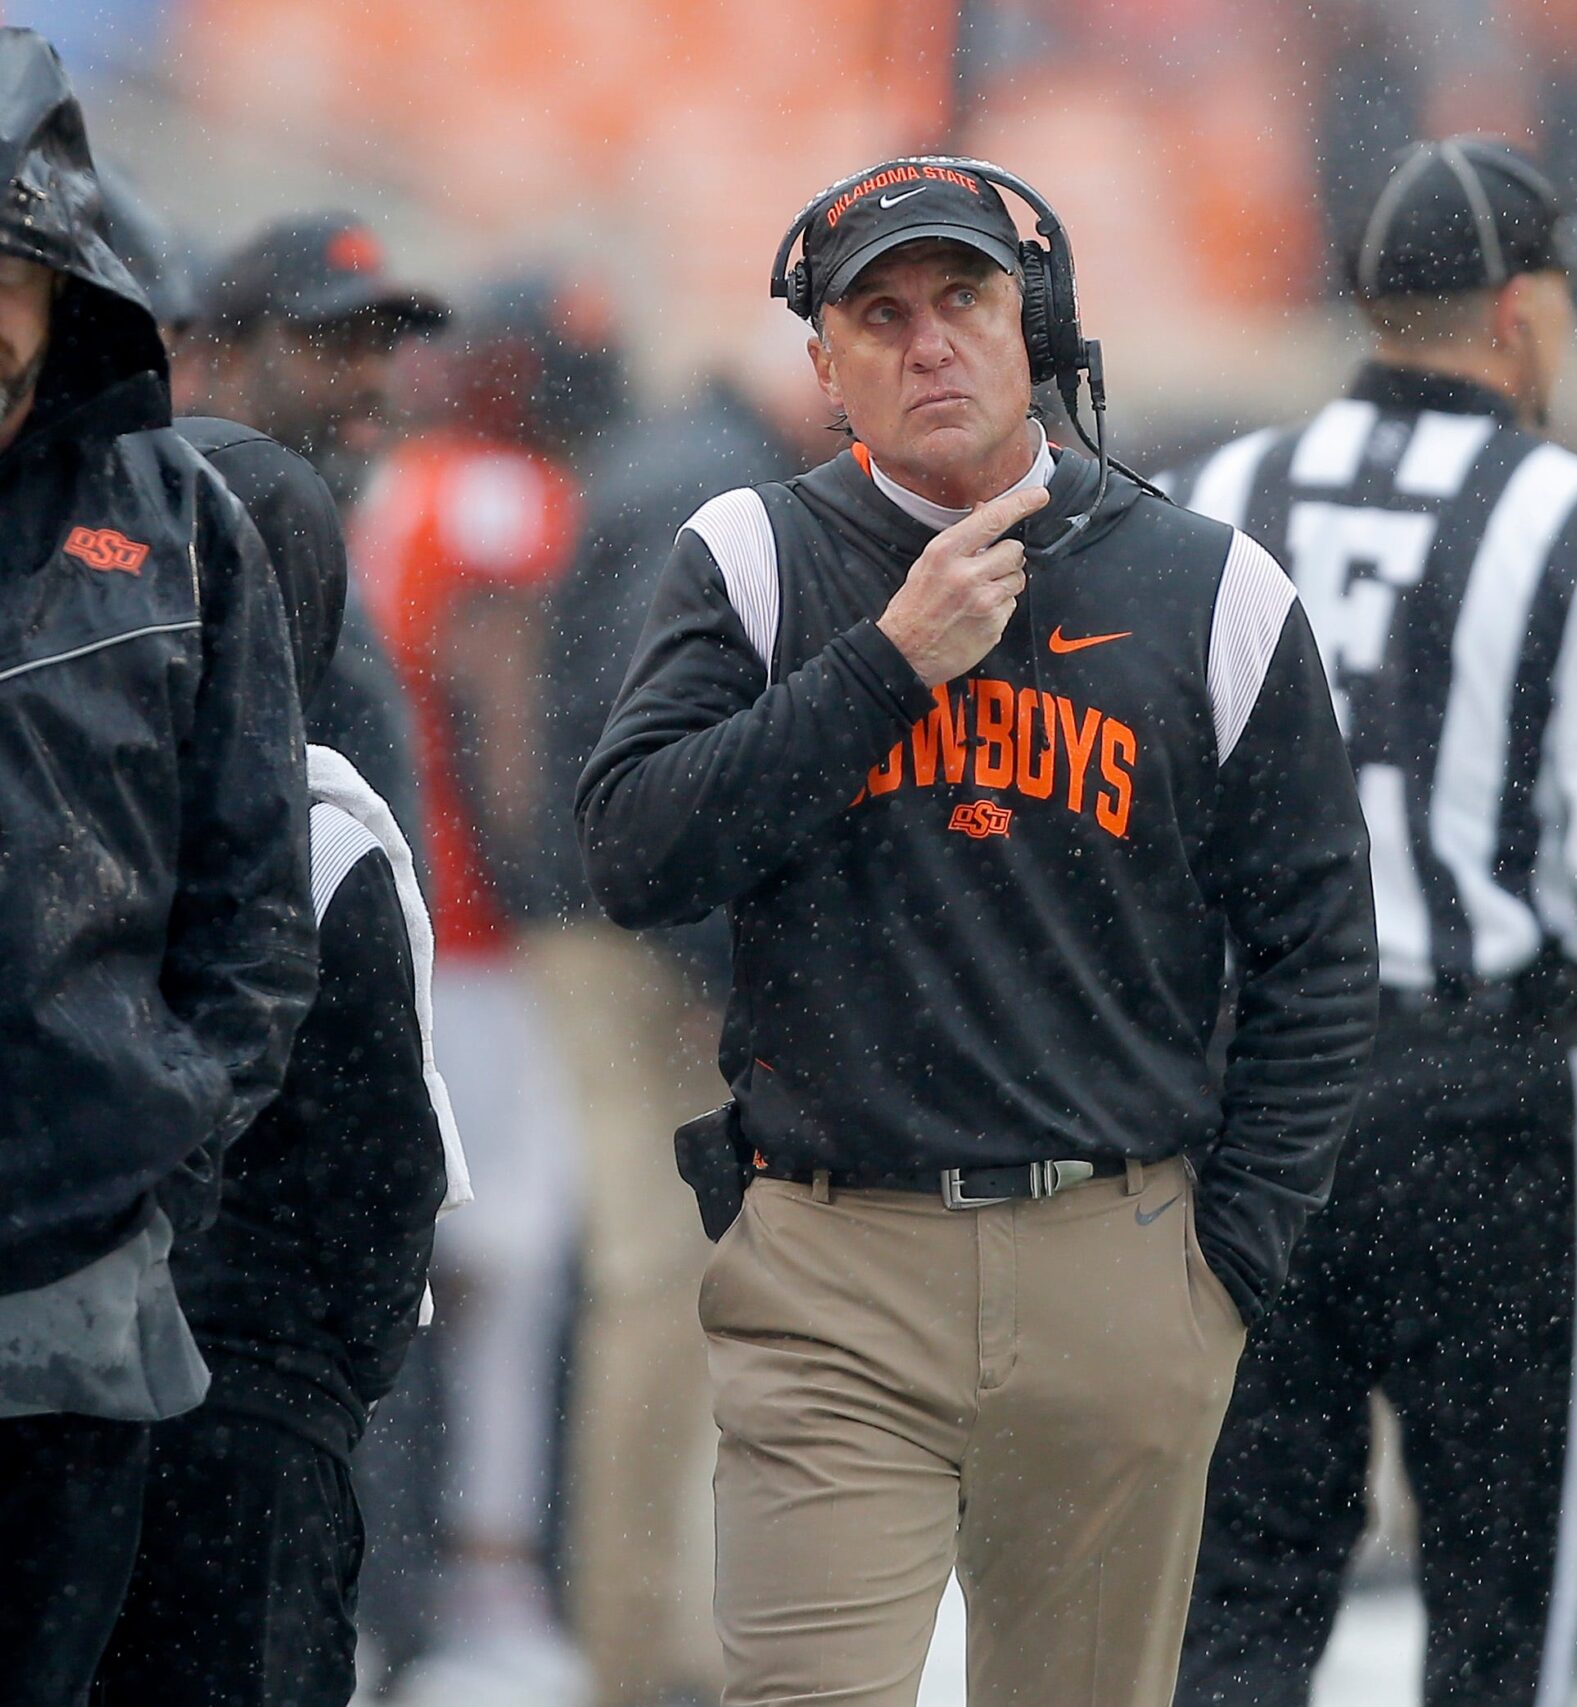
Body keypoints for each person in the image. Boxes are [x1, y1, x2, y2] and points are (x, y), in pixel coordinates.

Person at [577, 154, 1378, 1706]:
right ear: (825, 364)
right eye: (879, 313)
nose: (927, 340)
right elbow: (634, 855)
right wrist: (885, 664)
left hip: (1120, 1259)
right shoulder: (751, 559)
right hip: (833, 1260)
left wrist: (1225, 1263)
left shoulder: (1210, 585)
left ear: (1042, 330)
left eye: (963, 299)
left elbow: (1319, 952)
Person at [1154, 135, 1577, 1707]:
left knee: (1237, 1607)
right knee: (1502, 1615)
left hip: (1254, 1105)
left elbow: (1125, 828)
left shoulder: (1215, 495)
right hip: (1483, 1112)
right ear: (1517, 309)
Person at [0, 29, 317, 1704]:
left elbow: (253, 908)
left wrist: (152, 1148)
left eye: (7, 260)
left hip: (69, 1292)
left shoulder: (184, 526)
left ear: (62, 285)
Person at [89, 395, 469, 1707]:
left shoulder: (58, 808)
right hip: (250, 1411)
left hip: (78, 1385)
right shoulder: (325, 840)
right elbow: (388, 1184)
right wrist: (324, 1383)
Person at [537, 336, 822, 1707]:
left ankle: (665, 1634)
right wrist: (714, 951)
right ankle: (641, 1646)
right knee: (665, 1283)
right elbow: (628, 758)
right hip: (636, 945)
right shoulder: (702, 489)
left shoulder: (703, 467)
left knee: (687, 1285)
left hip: (634, 932)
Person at [354, 282, 603, 1707]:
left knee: (427, 1264)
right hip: (480, 934)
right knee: (506, 1263)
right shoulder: (501, 498)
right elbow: (502, 717)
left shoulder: (402, 481)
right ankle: (485, 1574)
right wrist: (555, 878)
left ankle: (406, 1581)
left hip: (403, 912)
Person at [190, 209, 446, 843]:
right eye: (333, 343)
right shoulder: (169, 548)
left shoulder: (311, 548)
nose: (371, 379)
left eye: (383, 346)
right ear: (227, 357)